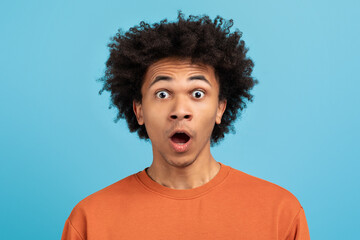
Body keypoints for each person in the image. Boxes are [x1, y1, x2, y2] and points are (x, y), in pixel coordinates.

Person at [61, 12, 310, 240]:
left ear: (220, 108)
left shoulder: (280, 213)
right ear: (139, 110)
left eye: (198, 93)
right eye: (162, 94)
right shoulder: (90, 220)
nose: (180, 110)